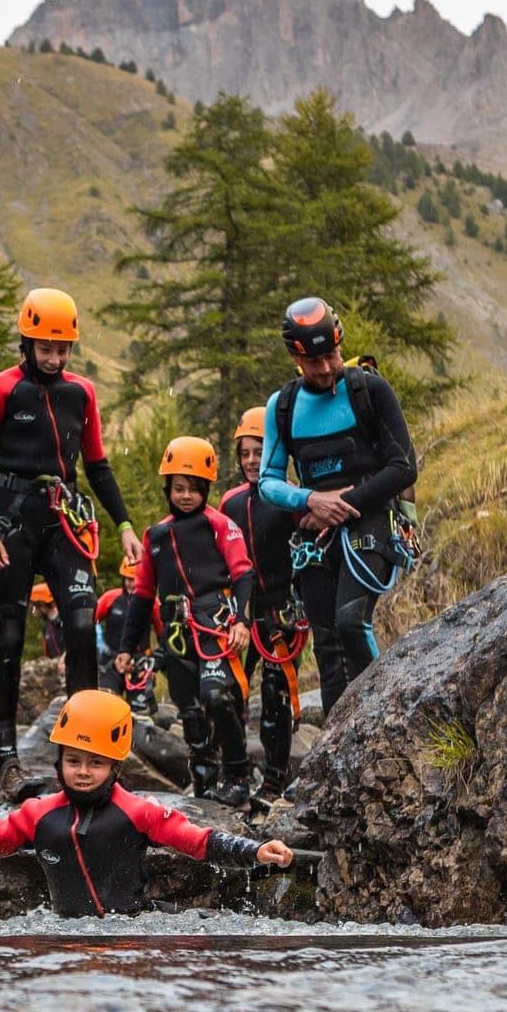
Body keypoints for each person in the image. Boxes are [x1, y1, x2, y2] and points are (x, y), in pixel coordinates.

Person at [0, 690, 293, 917]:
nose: (83, 772)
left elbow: (198, 842)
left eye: (95, 763)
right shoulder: (37, 815)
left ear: (115, 766)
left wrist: (255, 851)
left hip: (135, 932)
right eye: (73, 761)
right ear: (58, 761)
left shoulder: (139, 811)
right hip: (66, 937)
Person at [0, 287, 142, 801]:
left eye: (62, 348)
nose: (54, 357)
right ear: (27, 341)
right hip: (12, 520)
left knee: (84, 626)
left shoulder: (80, 393)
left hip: (67, 519)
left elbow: (98, 465)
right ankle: (8, 763)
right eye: (45, 347)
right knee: (8, 636)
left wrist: (124, 524)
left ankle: (85, 755)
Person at [257, 297, 419, 716]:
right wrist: (309, 499)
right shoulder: (284, 406)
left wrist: (340, 503)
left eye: (331, 355)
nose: (326, 368)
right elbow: (268, 481)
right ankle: (338, 743)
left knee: (351, 622)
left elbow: (404, 466)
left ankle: (386, 717)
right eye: (314, 362)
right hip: (315, 535)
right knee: (327, 649)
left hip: (373, 520)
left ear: (340, 344)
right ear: (296, 357)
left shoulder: (370, 389)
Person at [114, 437, 257, 807]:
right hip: (175, 633)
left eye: (194, 489)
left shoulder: (220, 525)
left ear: (206, 489)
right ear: (168, 489)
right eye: (178, 488)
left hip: (215, 626)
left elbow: (244, 575)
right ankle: (205, 781)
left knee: (218, 698)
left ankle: (238, 774)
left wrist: (241, 621)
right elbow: (143, 596)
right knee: (190, 710)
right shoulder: (156, 536)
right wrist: (127, 649)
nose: (186, 496)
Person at [220, 407, 301, 802]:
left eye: (260, 451)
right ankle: (234, 776)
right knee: (229, 692)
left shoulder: (289, 498)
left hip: (280, 611)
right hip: (240, 613)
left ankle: (273, 780)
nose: (252, 461)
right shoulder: (230, 503)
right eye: (245, 453)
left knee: (275, 695)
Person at [94, 557, 139, 696]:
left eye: (135, 580)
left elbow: (162, 633)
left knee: (141, 713)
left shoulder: (152, 603)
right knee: (107, 704)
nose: (131, 584)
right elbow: (88, 621)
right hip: (110, 663)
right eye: (128, 579)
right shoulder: (110, 598)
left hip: (138, 664)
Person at [29, 581, 66, 661]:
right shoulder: (47, 626)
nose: (32, 611)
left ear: (42, 604)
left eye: (33, 607)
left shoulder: (67, 620)